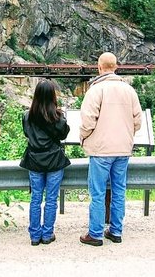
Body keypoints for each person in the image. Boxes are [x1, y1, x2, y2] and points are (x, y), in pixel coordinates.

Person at [79, 52, 142, 246]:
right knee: (119, 190)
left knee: (97, 192)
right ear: (116, 67)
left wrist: (84, 137)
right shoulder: (129, 90)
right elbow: (137, 121)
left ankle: (96, 234)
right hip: (123, 149)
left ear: (99, 67)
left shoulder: (96, 90)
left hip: (101, 150)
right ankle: (116, 231)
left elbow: (87, 120)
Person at [19, 80, 71, 246]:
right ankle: (47, 234)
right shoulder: (57, 116)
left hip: (34, 160)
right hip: (54, 161)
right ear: (52, 96)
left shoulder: (27, 116)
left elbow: (27, 134)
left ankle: (35, 236)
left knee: (35, 198)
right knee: (51, 199)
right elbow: (63, 135)